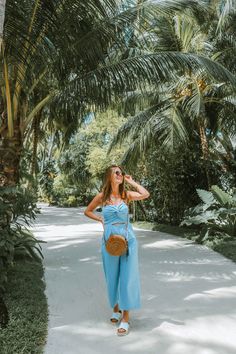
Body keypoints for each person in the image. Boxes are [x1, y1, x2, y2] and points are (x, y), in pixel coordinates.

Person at [84, 164, 150, 336]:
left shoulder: (125, 195)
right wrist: (100, 220)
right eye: (117, 173)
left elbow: (145, 194)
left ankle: (126, 319)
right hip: (109, 240)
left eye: (122, 172)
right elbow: (87, 211)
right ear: (109, 177)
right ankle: (116, 308)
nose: (120, 175)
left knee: (128, 278)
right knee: (112, 276)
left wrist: (132, 182)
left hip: (128, 240)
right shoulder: (102, 197)